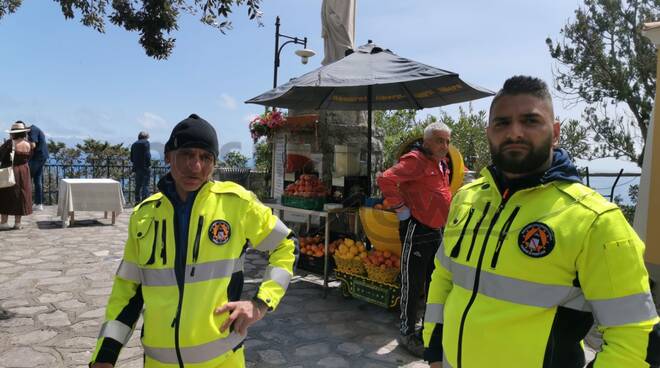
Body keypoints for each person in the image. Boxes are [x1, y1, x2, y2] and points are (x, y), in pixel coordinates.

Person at [423, 76, 660, 367]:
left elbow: (634, 335)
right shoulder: (467, 200)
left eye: (530, 121)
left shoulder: (595, 221)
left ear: (556, 132)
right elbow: (443, 278)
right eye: (502, 123)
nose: (515, 133)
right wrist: (434, 349)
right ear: (489, 133)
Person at [89, 114, 297, 367]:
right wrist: (106, 355)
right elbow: (127, 293)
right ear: (168, 156)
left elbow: (286, 244)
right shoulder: (144, 216)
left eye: (205, 157)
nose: (196, 166)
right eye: (187, 154)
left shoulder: (237, 204)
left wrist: (262, 303)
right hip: (158, 362)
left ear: (214, 163)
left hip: (223, 361)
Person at [377, 122, 453, 358]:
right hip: (417, 229)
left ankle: (427, 328)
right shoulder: (416, 160)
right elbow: (385, 179)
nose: (445, 146)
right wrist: (402, 209)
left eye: (448, 141)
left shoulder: (441, 162)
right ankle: (407, 332)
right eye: (440, 140)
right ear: (427, 140)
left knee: (435, 282)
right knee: (413, 282)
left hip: (437, 229)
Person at [0, 121, 33, 230]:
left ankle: (4, 222)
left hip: (10, 172)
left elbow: (2, 156)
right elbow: (29, 157)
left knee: (5, 196)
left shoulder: (10, 144)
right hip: (24, 172)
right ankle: (17, 223)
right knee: (20, 197)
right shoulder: (28, 144)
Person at [28, 123, 49, 211]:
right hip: (42, 156)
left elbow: (33, 145)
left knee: (27, 178)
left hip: (38, 157)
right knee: (37, 180)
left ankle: (26, 203)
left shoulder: (32, 130)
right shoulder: (36, 129)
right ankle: (38, 203)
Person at [130, 131, 151, 203]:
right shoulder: (146, 143)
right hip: (145, 167)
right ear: (146, 137)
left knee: (138, 185)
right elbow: (147, 155)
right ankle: (144, 200)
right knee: (146, 185)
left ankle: (137, 200)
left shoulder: (134, 144)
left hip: (136, 167)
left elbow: (132, 158)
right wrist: (148, 164)